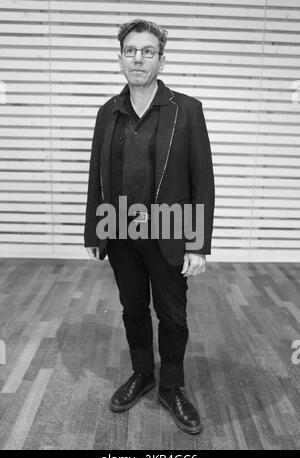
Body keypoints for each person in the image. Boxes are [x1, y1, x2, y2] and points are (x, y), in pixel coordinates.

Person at [84, 19, 215, 435]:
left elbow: (202, 179)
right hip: (121, 231)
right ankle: (143, 373)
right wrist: (95, 231)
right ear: (120, 56)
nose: (138, 59)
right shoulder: (109, 111)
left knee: (173, 316)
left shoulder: (186, 110)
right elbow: (96, 175)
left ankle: (171, 386)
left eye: (147, 51)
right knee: (133, 309)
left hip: (170, 230)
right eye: (130, 51)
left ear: (161, 58)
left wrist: (197, 244)